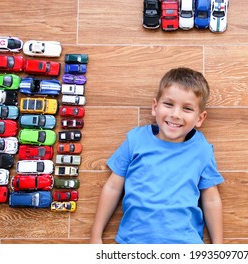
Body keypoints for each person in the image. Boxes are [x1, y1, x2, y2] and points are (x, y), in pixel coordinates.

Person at [90, 67, 224, 244]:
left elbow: (211, 199)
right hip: (133, 243)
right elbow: (113, 187)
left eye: (187, 108)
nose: (175, 114)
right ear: (155, 107)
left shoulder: (202, 150)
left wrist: (219, 247)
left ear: (200, 118)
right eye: (168, 104)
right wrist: (95, 236)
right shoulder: (135, 140)